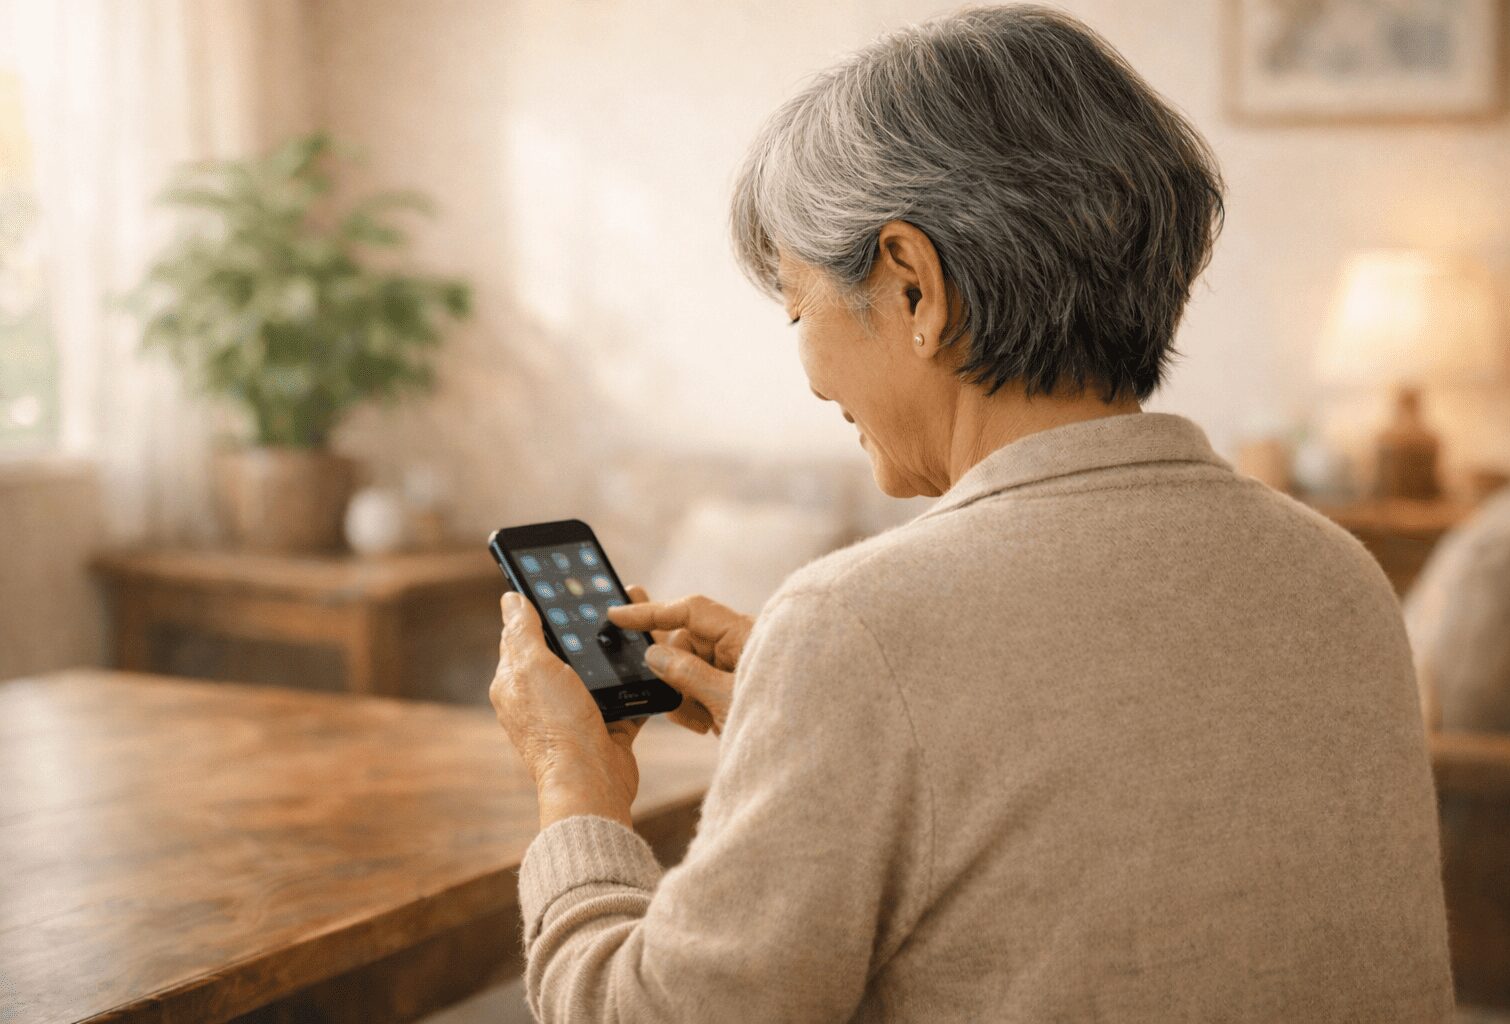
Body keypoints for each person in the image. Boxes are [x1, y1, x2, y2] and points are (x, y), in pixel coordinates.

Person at [489, 5, 1453, 1020]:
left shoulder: (856, 628)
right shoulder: (1339, 573)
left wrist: (573, 779)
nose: (808, 371)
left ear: (914, 287)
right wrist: (807, 730)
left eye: (796, 307)